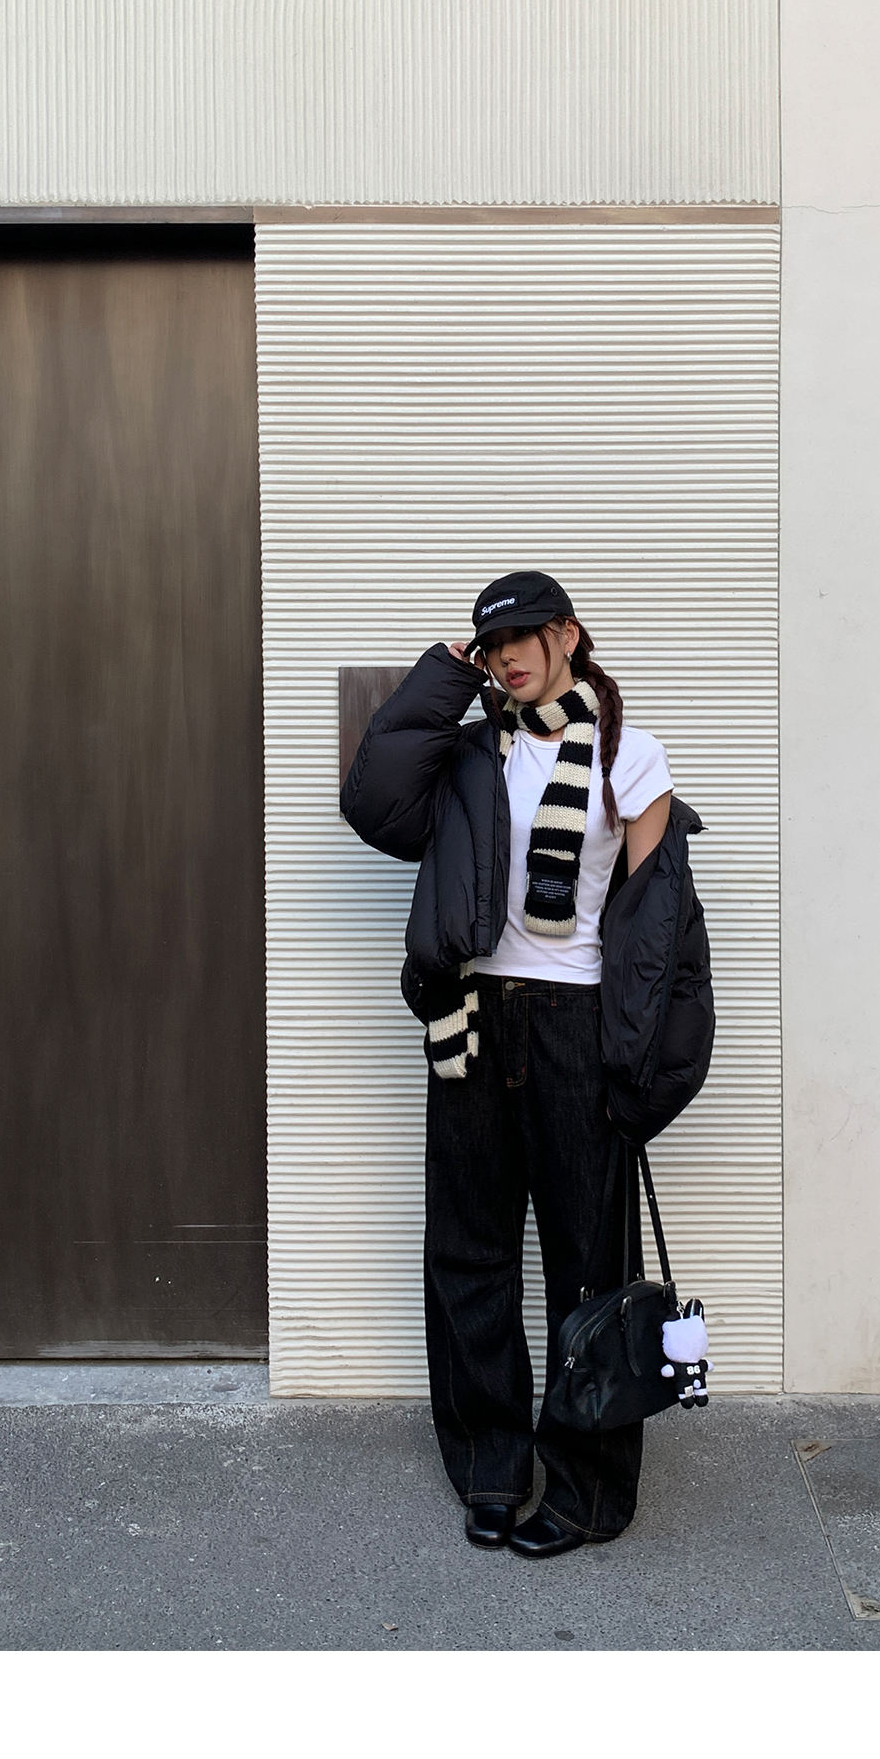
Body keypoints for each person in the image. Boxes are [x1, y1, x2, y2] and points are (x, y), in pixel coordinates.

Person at [340, 569, 713, 1558]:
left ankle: (588, 1490)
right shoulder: (468, 755)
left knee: (589, 1265)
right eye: (490, 643)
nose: (508, 657)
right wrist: (443, 675)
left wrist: (639, 1060)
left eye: (524, 637)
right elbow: (372, 803)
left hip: (577, 1030)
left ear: (568, 635)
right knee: (470, 1253)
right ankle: (491, 1468)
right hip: (473, 1018)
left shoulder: (630, 755)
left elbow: (659, 925)